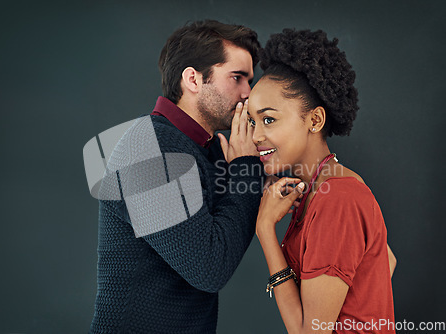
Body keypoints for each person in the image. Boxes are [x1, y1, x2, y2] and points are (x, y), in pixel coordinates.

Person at [89, 20, 263, 333]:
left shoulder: (203, 148)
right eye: (237, 78)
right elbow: (209, 268)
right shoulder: (148, 149)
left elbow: (225, 222)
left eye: (249, 80)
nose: (248, 94)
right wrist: (246, 170)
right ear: (193, 79)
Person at [245, 29, 397, 333]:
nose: (256, 136)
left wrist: (264, 230)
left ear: (314, 120)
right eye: (252, 121)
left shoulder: (336, 198)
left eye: (269, 119)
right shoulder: (327, 185)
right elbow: (386, 261)